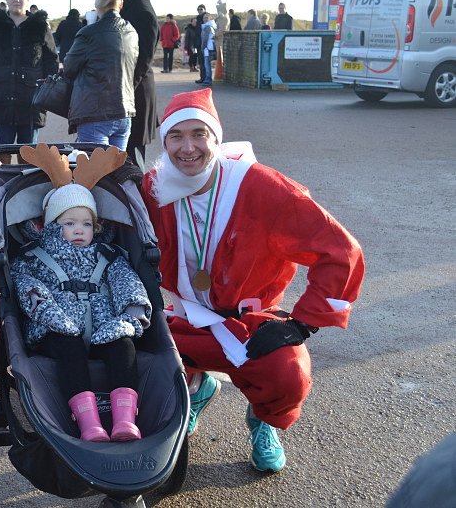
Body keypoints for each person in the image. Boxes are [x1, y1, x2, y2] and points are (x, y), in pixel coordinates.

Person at [141, 88, 364, 473]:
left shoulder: (262, 187)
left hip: (251, 323)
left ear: (216, 137)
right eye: (176, 136)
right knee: (129, 357)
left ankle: (262, 420)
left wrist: (302, 323)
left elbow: (341, 252)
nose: (187, 148)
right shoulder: (154, 188)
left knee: (288, 374)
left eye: (199, 134)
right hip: (188, 317)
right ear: (164, 141)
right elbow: (101, 225)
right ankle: (196, 388)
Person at [10, 145, 152, 442]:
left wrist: (131, 312)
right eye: (69, 222)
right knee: (69, 350)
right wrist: (51, 315)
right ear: (51, 224)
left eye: (86, 223)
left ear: (96, 226)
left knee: (122, 346)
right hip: (55, 327)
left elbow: (127, 281)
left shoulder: (109, 255)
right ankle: (89, 424)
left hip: (105, 325)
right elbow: (28, 288)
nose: (79, 229)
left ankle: (125, 420)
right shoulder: (35, 257)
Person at [0, 0, 58, 148]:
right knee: (2, 147)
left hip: (31, 99)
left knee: (29, 149)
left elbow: (51, 61)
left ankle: (28, 175)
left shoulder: (39, 26)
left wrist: (49, 91)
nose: (16, 0)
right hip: (2, 96)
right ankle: (3, 175)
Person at [63, 0, 138, 151]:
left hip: (95, 112)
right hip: (124, 110)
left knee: (93, 173)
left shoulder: (89, 33)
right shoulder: (131, 32)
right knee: (115, 170)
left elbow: (69, 67)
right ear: (121, 3)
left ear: (97, 4)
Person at [108, 0, 160, 168]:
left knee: (132, 165)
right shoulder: (128, 5)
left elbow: (142, 61)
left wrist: (122, 93)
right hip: (127, 97)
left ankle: (137, 204)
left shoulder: (141, 10)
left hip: (135, 98)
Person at [199, 12, 216, 86]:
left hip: (207, 48)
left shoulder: (207, 27)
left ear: (210, 18)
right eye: (204, 18)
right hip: (211, 47)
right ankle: (208, 79)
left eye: (206, 18)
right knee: (207, 65)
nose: (204, 19)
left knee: (207, 65)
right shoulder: (212, 26)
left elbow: (205, 39)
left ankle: (208, 80)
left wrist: (202, 48)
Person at [193, 4, 206, 79]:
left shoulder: (206, 17)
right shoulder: (198, 18)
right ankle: (202, 77)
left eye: (201, 9)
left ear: (204, 9)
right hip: (199, 42)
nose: (199, 11)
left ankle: (205, 78)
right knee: (201, 61)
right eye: (198, 9)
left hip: (204, 42)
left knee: (204, 62)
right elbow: (197, 32)